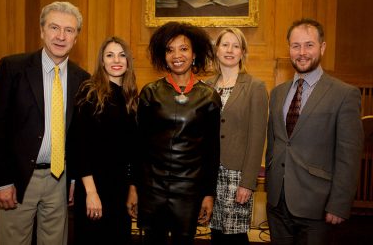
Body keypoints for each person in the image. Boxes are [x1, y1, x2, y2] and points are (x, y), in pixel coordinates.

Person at [0, 1, 90, 245]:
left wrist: (73, 179)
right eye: (54, 27)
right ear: (42, 31)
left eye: (69, 30)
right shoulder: (13, 68)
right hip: (19, 179)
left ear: (76, 37)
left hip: (59, 179)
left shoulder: (83, 79)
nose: (61, 36)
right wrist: (1, 181)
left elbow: (78, 136)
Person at [265, 18, 364, 245]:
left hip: (317, 207)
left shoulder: (344, 94)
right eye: (295, 46)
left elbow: (348, 155)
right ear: (288, 48)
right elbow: (275, 144)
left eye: (309, 45)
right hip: (277, 205)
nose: (302, 52)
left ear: (322, 47)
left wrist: (339, 204)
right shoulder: (278, 93)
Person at [126, 21, 221, 245]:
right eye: (170, 49)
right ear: (163, 55)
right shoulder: (150, 93)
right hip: (152, 188)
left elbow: (212, 151)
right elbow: (139, 147)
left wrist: (209, 194)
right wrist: (133, 187)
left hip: (189, 190)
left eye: (183, 48)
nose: (176, 55)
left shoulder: (209, 96)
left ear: (194, 54)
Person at [67, 37, 138, 245]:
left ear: (128, 61)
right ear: (102, 61)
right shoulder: (89, 93)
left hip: (120, 190)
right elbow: (79, 146)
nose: (116, 60)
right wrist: (91, 193)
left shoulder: (131, 97)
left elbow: (134, 150)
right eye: (110, 55)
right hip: (94, 187)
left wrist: (132, 190)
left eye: (121, 55)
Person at [206, 27, 268, 245]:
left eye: (236, 45)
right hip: (210, 174)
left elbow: (257, 138)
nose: (230, 50)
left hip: (237, 175)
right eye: (225, 45)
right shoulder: (207, 87)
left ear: (243, 52)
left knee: (235, 236)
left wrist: (248, 182)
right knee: (214, 233)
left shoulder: (255, 87)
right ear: (217, 50)